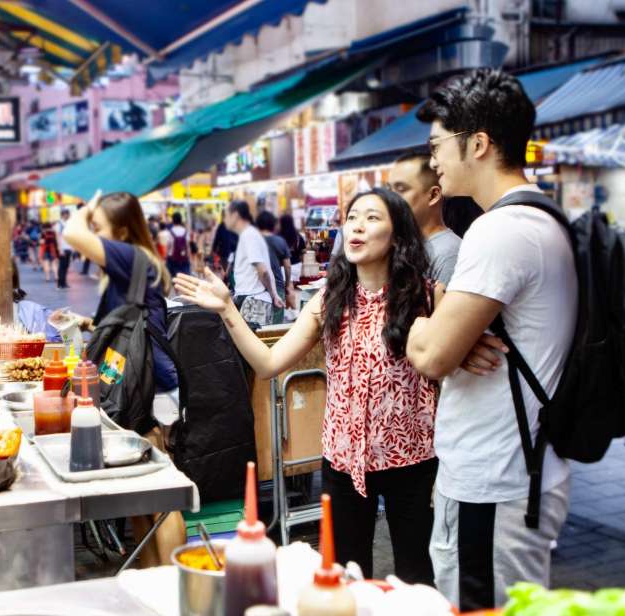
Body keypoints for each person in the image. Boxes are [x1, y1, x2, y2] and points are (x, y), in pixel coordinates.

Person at [176, 188, 441, 585]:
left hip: (414, 461)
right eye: (352, 217)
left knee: (417, 577)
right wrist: (228, 309)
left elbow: (451, 363)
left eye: (371, 218)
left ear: (398, 234)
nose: (357, 226)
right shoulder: (328, 298)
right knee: (346, 576)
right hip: (342, 461)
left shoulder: (428, 296)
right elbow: (268, 364)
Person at [404, 68, 576, 611]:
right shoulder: (544, 217)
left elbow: (431, 355)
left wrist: (415, 320)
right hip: (519, 468)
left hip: (493, 477)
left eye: (438, 146)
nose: (434, 160)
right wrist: (446, 326)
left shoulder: (500, 230)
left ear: (477, 144)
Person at [62, 191, 184, 568]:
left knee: (162, 497)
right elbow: (125, 324)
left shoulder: (133, 258)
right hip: (133, 387)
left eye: (99, 227)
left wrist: (85, 209)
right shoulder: (129, 264)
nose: (93, 234)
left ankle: (174, 585)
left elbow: (70, 232)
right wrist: (88, 324)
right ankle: (150, 583)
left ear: (124, 230)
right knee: (137, 497)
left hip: (153, 391)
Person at [389, 151, 461, 285]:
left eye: (401, 189)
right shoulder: (401, 246)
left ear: (433, 195)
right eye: (389, 190)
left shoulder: (448, 253)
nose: (389, 198)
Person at [225, 201, 282, 327]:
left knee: (252, 344)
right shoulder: (249, 234)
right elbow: (266, 269)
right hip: (252, 300)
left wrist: (273, 295)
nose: (225, 219)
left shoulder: (249, 235)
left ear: (235, 215)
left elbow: (263, 270)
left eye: (226, 215)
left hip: (254, 302)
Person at [257, 211, 292, 324]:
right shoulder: (280, 241)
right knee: (276, 326)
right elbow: (287, 266)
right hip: (277, 285)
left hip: (257, 287)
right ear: (273, 224)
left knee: (258, 324)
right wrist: (287, 283)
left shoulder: (253, 241)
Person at [164, 212, 192, 278]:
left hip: (172, 258)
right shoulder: (185, 231)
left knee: (173, 277)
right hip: (184, 257)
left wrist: (166, 256)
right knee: (185, 278)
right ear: (181, 220)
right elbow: (187, 245)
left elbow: (168, 246)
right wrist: (189, 257)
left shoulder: (170, 231)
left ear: (173, 220)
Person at [56, 209, 73, 289]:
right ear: (64, 215)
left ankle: (64, 283)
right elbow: (58, 237)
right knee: (62, 266)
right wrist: (60, 249)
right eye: (68, 214)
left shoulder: (68, 223)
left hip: (69, 247)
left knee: (66, 266)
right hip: (63, 248)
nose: (69, 216)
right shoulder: (59, 224)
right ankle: (60, 283)